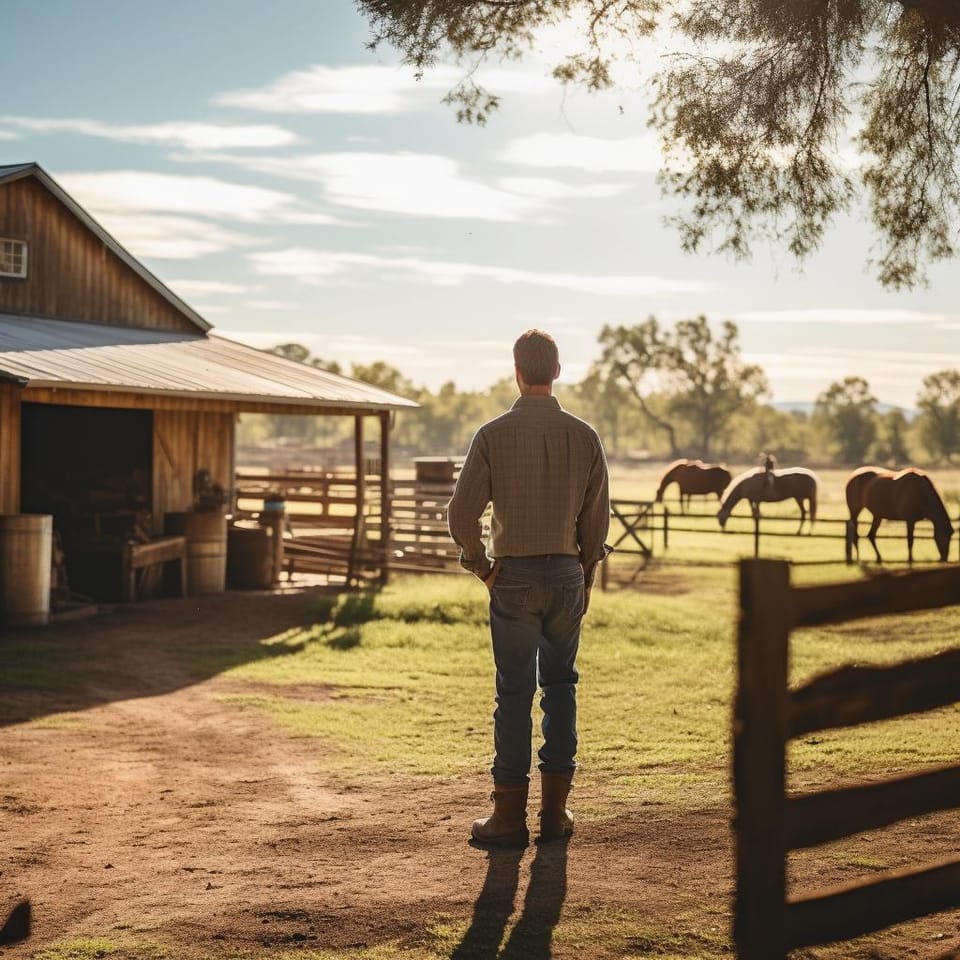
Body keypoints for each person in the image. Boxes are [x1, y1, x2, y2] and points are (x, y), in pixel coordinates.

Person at [447, 329, 611, 847]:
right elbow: (596, 521)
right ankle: (554, 814)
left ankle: (508, 819)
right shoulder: (584, 436)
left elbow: (460, 513)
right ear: (557, 371)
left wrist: (481, 566)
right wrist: (584, 576)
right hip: (565, 575)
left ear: (516, 371)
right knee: (561, 688)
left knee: (514, 693)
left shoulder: (492, 435)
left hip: (512, 576)